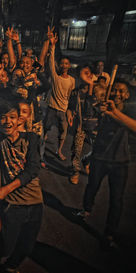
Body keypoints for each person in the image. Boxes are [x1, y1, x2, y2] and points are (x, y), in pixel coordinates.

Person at [0, 65, 43, 273]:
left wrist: (6, 187)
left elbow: (33, 169)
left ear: (19, 120)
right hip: (13, 205)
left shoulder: (32, 139)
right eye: (3, 118)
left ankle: (10, 268)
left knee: (26, 247)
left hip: (35, 203)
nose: (7, 121)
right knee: (6, 245)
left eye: (12, 117)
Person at [77, 80, 135, 250]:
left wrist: (114, 113)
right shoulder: (102, 107)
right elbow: (90, 122)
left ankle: (109, 233)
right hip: (100, 157)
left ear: (127, 95)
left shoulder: (131, 110)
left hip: (120, 161)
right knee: (92, 186)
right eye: (115, 90)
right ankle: (86, 209)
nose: (117, 94)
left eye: (121, 91)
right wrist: (101, 113)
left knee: (116, 200)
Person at [43, 30, 75, 161]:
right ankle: (41, 149)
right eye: (62, 63)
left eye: (66, 63)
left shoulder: (72, 80)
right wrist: (53, 46)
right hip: (52, 108)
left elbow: (70, 97)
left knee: (63, 133)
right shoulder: (55, 77)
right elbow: (50, 62)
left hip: (63, 110)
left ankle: (59, 150)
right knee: (45, 130)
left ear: (69, 66)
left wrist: (70, 112)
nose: (64, 65)